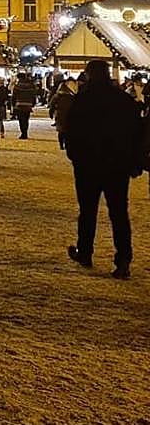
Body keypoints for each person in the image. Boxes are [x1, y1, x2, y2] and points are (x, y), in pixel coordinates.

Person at [64, 60, 144, 279]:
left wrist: (75, 155)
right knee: (118, 213)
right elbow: (137, 133)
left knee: (87, 211)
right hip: (117, 165)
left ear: (90, 75)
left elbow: (71, 130)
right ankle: (123, 259)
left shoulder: (83, 100)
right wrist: (134, 161)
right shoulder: (123, 100)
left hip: (88, 164)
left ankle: (85, 252)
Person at [49, 74, 77, 153]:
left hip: (60, 114)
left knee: (61, 130)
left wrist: (51, 112)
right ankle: (66, 144)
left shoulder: (57, 96)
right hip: (70, 115)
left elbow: (52, 105)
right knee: (68, 130)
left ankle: (61, 145)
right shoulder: (73, 97)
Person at [12, 72, 38, 139]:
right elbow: (34, 95)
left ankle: (23, 133)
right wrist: (33, 103)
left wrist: (13, 105)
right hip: (28, 105)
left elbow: (14, 96)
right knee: (26, 119)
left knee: (21, 120)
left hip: (19, 105)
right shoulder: (31, 85)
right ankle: (25, 132)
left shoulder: (17, 86)